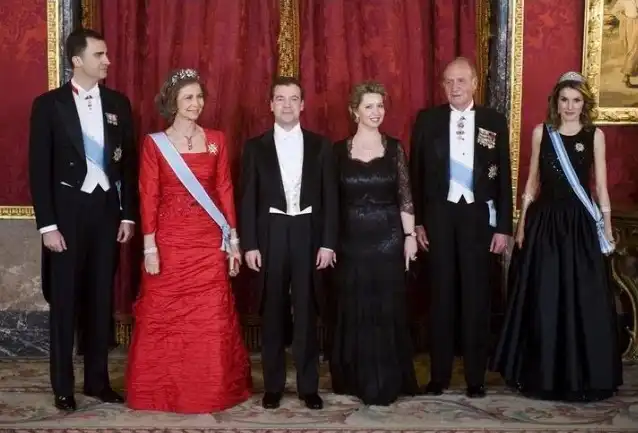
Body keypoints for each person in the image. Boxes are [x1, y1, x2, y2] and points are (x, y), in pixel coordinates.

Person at [491, 71, 623, 402]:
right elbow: (532, 181)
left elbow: (600, 186)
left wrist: (606, 226)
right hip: (545, 224)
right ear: (556, 102)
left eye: (576, 100)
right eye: (564, 100)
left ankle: (583, 375)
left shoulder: (594, 135)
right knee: (545, 295)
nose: (570, 106)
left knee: (582, 297)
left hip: (579, 225)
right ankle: (541, 373)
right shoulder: (542, 133)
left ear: (584, 104)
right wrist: (522, 224)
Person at [126, 69, 251, 413]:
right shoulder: (155, 143)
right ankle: (162, 391)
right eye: (188, 98)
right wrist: (149, 247)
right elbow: (148, 195)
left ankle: (209, 391)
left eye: (199, 97)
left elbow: (224, 188)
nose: (196, 104)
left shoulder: (217, 140)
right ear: (173, 103)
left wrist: (233, 240)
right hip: (170, 242)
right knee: (167, 317)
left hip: (209, 242)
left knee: (209, 317)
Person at [28, 28, 135, 412]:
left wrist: (128, 215)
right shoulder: (48, 105)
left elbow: (128, 166)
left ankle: (97, 381)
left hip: (106, 213)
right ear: (77, 60)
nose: (107, 61)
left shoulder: (119, 103)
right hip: (66, 217)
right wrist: (48, 226)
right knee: (64, 303)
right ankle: (63, 386)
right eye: (99, 55)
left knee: (100, 298)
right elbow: (38, 168)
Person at [409, 57, 513, 398]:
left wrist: (503, 227)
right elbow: (415, 174)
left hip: (478, 218)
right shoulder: (427, 120)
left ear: (474, 84)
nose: (455, 87)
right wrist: (418, 222)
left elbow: (504, 177)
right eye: (449, 81)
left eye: (461, 81)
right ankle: (439, 376)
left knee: (476, 298)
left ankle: (474, 378)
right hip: (439, 216)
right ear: (443, 85)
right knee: (441, 297)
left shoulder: (494, 121)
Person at [239, 76, 338, 410]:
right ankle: (273, 386)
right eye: (280, 98)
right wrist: (250, 244)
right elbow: (247, 199)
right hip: (271, 233)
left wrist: (328, 243)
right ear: (270, 105)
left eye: (293, 98)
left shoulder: (321, 145)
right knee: (272, 310)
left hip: (308, 232)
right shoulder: (255, 147)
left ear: (303, 105)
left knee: (307, 311)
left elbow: (331, 198)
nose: (287, 105)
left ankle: (309, 386)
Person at [329, 81, 419, 406]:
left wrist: (410, 237)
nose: (376, 112)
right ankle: (354, 378)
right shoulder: (337, 152)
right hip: (351, 242)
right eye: (369, 106)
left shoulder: (394, 149)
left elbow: (405, 197)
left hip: (388, 240)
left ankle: (386, 380)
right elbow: (331, 201)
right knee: (354, 307)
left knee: (386, 308)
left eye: (380, 105)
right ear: (354, 111)